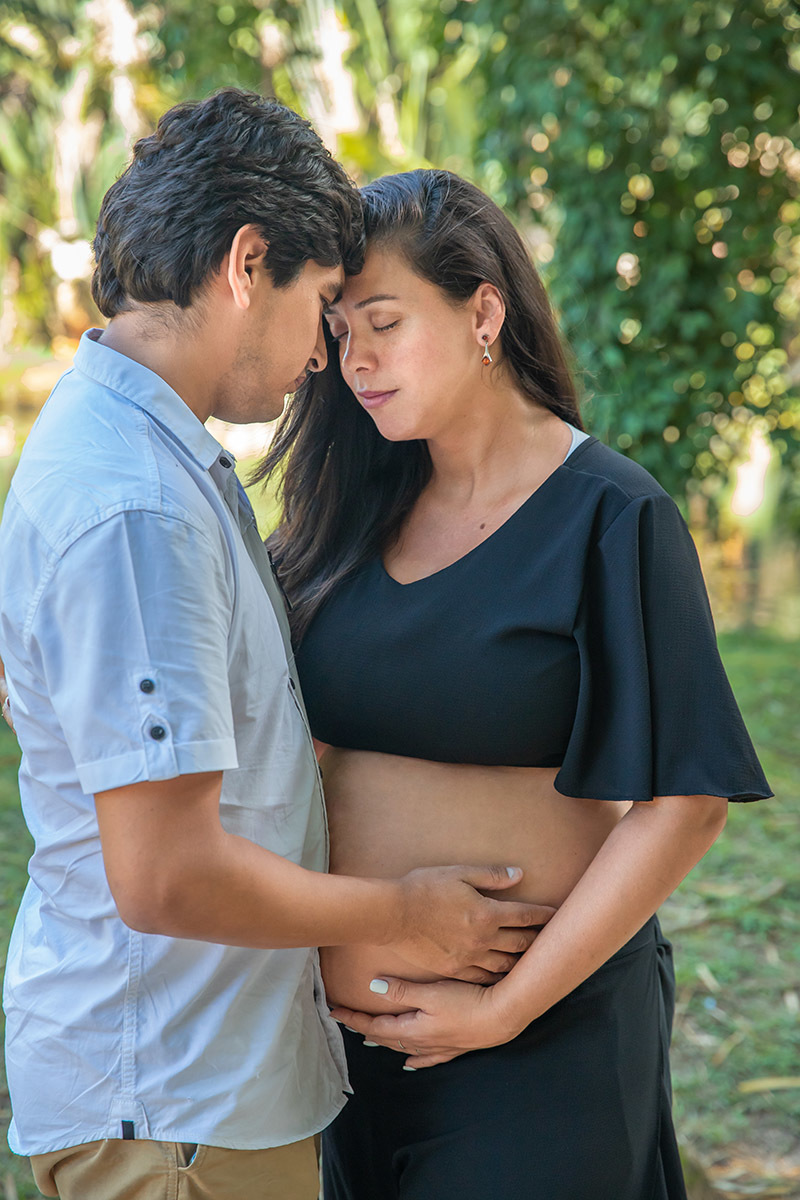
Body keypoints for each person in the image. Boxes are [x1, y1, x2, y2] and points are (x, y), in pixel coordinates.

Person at [0, 102, 555, 1200]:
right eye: (320, 307)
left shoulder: (132, 451)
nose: (320, 357)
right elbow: (166, 874)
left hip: (188, 1101)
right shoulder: (136, 505)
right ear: (248, 264)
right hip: (174, 1118)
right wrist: (408, 912)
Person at [259, 168, 772, 1200]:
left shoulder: (610, 516)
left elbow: (682, 805)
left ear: (481, 310)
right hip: (340, 1063)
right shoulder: (341, 514)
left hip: (541, 1044)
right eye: (337, 330)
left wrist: (503, 1010)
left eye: (383, 323)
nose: (352, 360)